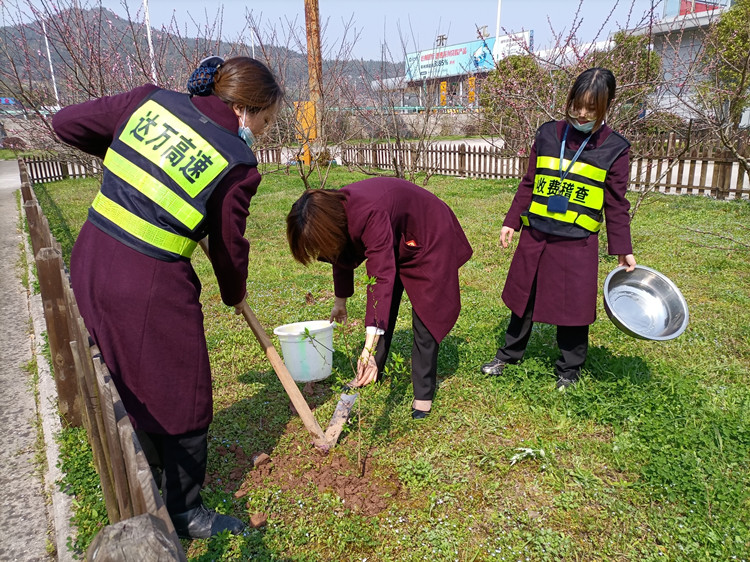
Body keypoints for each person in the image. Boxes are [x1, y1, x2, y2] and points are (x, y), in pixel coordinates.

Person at [52, 56, 282, 539]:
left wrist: (135, 162)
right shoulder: (236, 162)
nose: (260, 132)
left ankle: (147, 466)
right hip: (149, 281)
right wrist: (234, 293)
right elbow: (227, 245)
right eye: (264, 121)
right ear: (244, 109)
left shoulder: (148, 101)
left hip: (92, 255)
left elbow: (64, 123)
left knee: (123, 369)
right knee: (186, 391)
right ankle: (183, 510)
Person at [480, 67, 636, 389]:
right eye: (576, 106)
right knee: (523, 297)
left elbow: (617, 203)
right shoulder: (548, 134)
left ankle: (569, 369)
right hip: (537, 233)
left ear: (606, 107)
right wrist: (511, 221)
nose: (581, 114)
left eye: (590, 110)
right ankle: (508, 354)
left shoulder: (615, 148)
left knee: (574, 308)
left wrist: (623, 249)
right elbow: (528, 183)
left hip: (576, 242)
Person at [286, 178, 473, 419]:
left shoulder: (368, 212)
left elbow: (381, 278)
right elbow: (339, 254)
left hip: (428, 231)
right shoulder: (336, 214)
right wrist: (340, 301)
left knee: (426, 312)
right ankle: (371, 369)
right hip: (396, 236)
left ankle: (423, 393)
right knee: (383, 308)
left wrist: (367, 346)